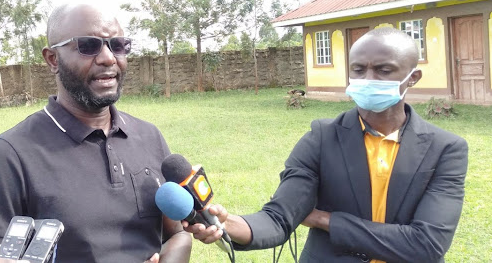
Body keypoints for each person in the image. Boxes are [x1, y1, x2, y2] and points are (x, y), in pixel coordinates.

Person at [185, 27, 468, 263]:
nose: (368, 80)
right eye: (358, 69)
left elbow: (427, 244)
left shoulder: (445, 149)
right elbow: (279, 217)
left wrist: (325, 220)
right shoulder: (321, 138)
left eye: (383, 70)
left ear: (413, 77)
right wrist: (227, 223)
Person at [0, 4, 192, 262]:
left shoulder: (149, 136)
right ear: (52, 59)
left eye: (117, 45)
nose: (108, 58)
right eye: (88, 46)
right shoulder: (9, 155)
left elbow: (176, 234)